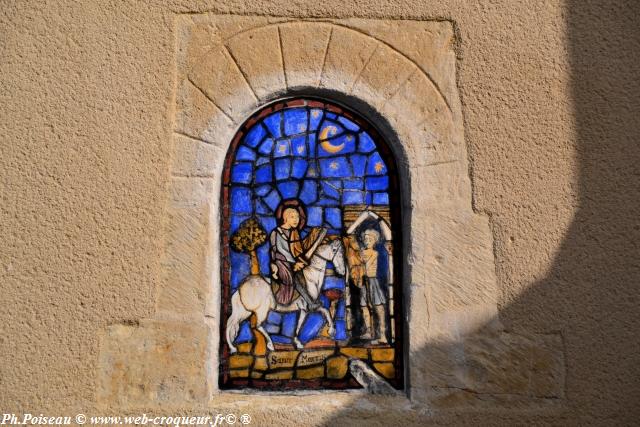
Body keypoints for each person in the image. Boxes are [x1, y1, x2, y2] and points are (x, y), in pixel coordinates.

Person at [270, 199, 325, 308]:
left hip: (292, 261)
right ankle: (287, 299)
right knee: (292, 278)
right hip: (282, 261)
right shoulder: (276, 232)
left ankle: (307, 301)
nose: (296, 220)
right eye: (292, 217)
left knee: (303, 276)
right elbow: (281, 250)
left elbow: (298, 249)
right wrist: (295, 263)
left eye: (298, 217)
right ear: (285, 218)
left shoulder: (294, 233)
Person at [359, 228, 389, 344]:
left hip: (372, 282)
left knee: (378, 307)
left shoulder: (374, 253)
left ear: (374, 241)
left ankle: (382, 335)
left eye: (370, 239)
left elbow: (365, 267)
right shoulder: (361, 253)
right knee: (364, 306)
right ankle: (369, 331)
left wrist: (359, 261)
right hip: (363, 282)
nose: (367, 241)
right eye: (365, 239)